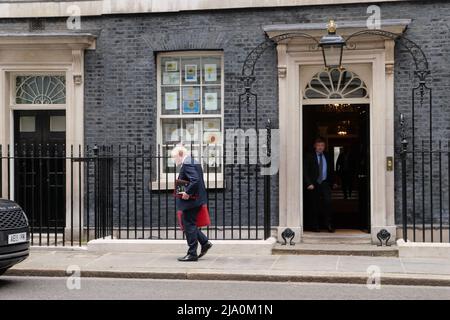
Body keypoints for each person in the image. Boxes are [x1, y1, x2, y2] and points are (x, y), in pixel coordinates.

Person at [171, 144, 212, 262]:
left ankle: (192, 253)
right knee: (190, 224)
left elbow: (195, 180)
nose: (175, 160)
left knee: (188, 225)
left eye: (175, 157)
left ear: (180, 154)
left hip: (191, 201)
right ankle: (204, 242)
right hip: (197, 199)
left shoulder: (187, 163)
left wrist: (187, 192)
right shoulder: (194, 161)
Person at [303, 137, 337, 233]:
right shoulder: (309, 156)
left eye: (322, 145)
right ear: (315, 146)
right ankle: (315, 225)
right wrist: (308, 183)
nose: (320, 147)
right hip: (314, 184)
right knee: (315, 205)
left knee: (328, 203)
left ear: (324, 146)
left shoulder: (327, 156)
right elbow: (305, 171)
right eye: (318, 145)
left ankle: (328, 224)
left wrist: (334, 182)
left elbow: (331, 170)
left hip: (325, 183)